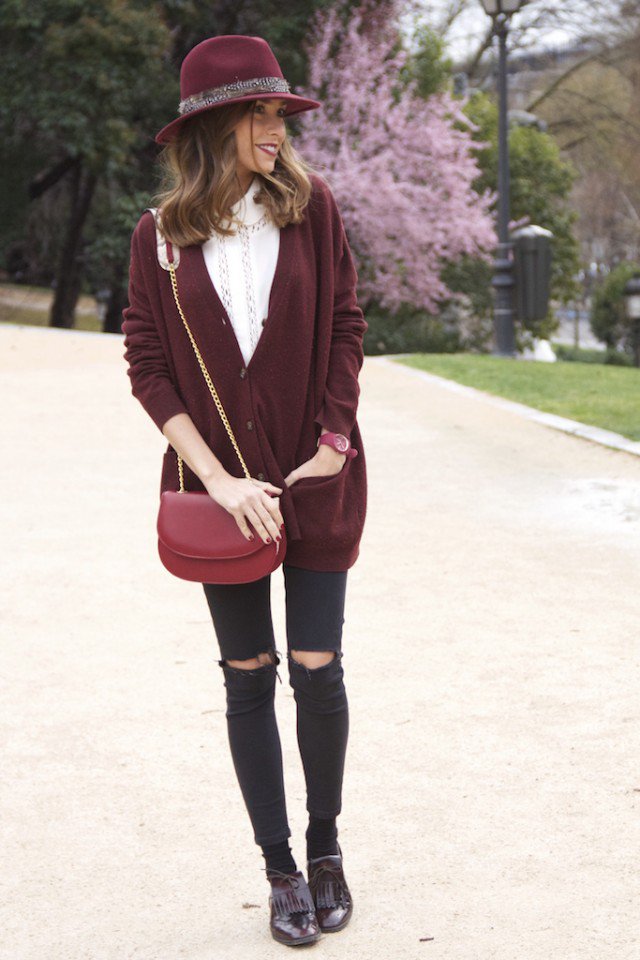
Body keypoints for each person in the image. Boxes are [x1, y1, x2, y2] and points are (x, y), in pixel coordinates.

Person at [121, 35, 368, 947]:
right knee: (247, 677)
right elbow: (148, 367)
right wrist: (223, 482)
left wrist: (336, 441)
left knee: (318, 670)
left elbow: (346, 324)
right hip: (220, 498)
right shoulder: (162, 240)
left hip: (316, 481)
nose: (278, 130)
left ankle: (329, 848)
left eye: (279, 115)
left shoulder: (315, 210)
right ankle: (281, 871)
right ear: (218, 125)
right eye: (262, 115)